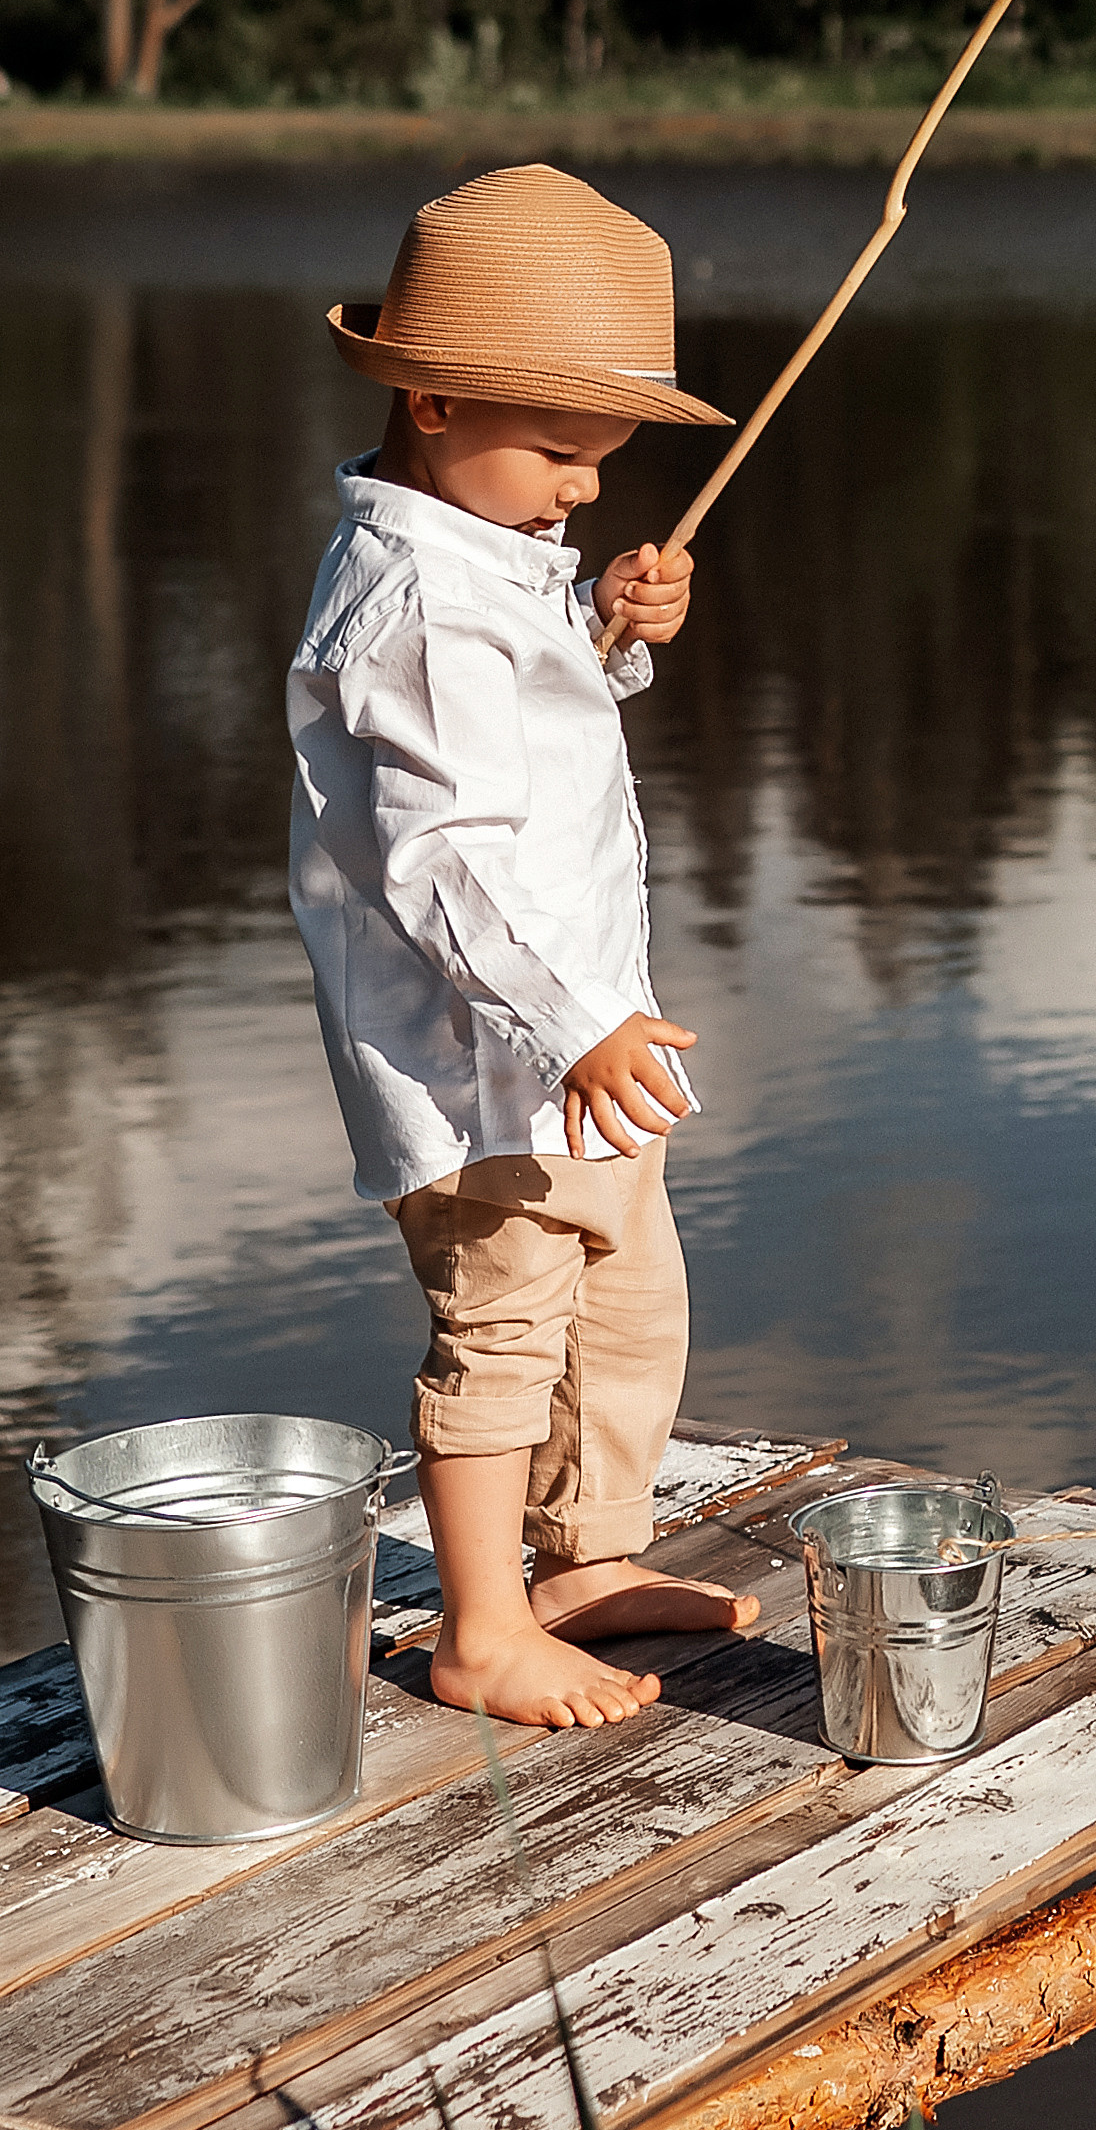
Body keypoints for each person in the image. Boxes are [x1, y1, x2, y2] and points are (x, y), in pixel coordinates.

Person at [286, 164, 757, 1729]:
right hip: (489, 1059)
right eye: (559, 451)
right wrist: (574, 1027)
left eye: (606, 460)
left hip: (575, 1040)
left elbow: (531, 743)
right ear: (429, 399)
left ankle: (578, 1562)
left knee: (624, 1306)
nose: (583, 491)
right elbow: (443, 860)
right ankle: (480, 1627)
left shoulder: (487, 550)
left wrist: (611, 634)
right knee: (503, 1325)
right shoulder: (413, 600)